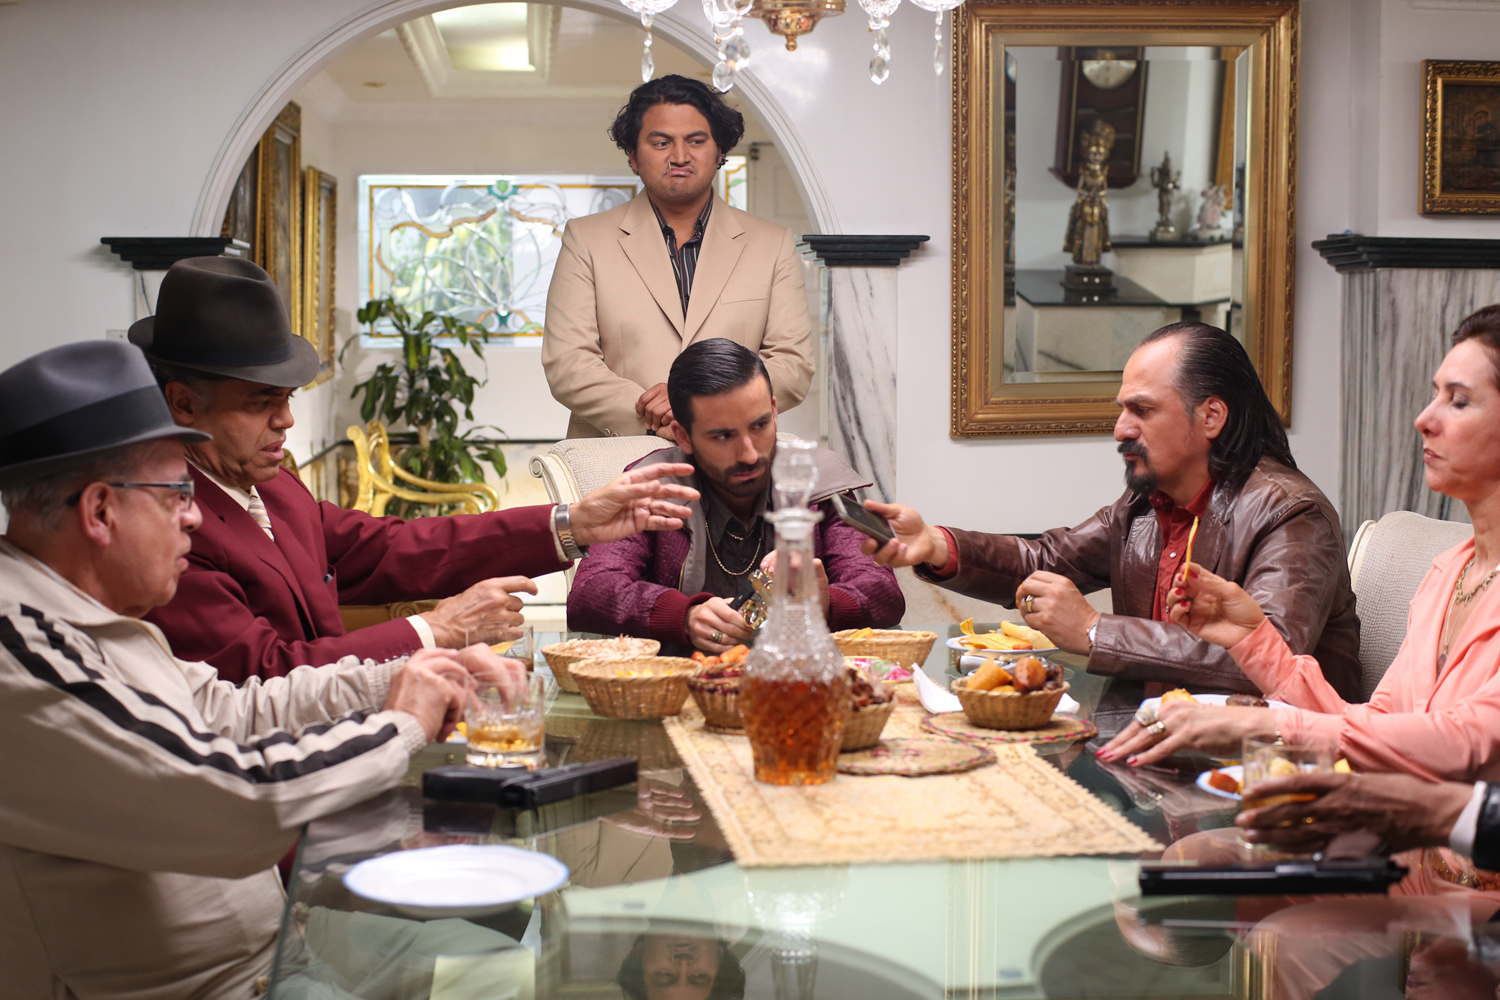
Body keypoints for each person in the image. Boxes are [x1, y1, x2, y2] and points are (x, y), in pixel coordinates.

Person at [0, 340, 526, 998]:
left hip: (279, 941)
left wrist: (408, 675)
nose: (195, 514)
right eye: (176, 493)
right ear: (100, 511)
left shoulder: (91, 614)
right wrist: (401, 726)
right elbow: (230, 801)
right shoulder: (21, 655)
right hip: (215, 985)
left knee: (507, 967)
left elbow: (233, 709)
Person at [136, 256, 699, 683]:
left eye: (286, 398)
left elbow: (390, 548)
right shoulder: (166, 528)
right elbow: (268, 674)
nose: (286, 420)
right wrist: (437, 629)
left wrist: (572, 522)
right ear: (183, 404)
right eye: (261, 403)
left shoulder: (273, 484)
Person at [1100, 306, 1500, 780]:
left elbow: (1468, 741)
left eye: (1459, 401)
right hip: (1393, 819)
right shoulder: (1448, 572)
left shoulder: (1294, 509)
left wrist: (1269, 724)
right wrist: (1253, 639)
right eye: (1434, 396)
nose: (1423, 420)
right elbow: (1377, 727)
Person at [863, 322, 1359, 697]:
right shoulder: (1144, 506)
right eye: (1122, 409)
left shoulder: (1291, 514)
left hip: (1269, 761)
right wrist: (935, 545)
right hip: (1156, 740)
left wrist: (1094, 630)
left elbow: (1268, 660)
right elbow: (1046, 561)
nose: (1120, 428)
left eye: (1142, 410)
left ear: (1211, 416)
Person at [568, 339, 903, 655]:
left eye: (759, 426)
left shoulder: (822, 480)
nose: (749, 454)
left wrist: (826, 604)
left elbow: (882, 589)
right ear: (684, 436)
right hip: (676, 682)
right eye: (723, 436)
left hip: (798, 679)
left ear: (774, 411)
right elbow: (592, 591)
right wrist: (685, 615)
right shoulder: (652, 486)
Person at [542, 74, 814, 440]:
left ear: (719, 152)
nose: (680, 156)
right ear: (633, 156)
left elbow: (793, 365)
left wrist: (703, 407)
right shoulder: (585, 239)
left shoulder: (772, 244)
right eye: (661, 143)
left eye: (696, 141)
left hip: (736, 452)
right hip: (617, 455)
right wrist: (654, 415)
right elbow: (568, 363)